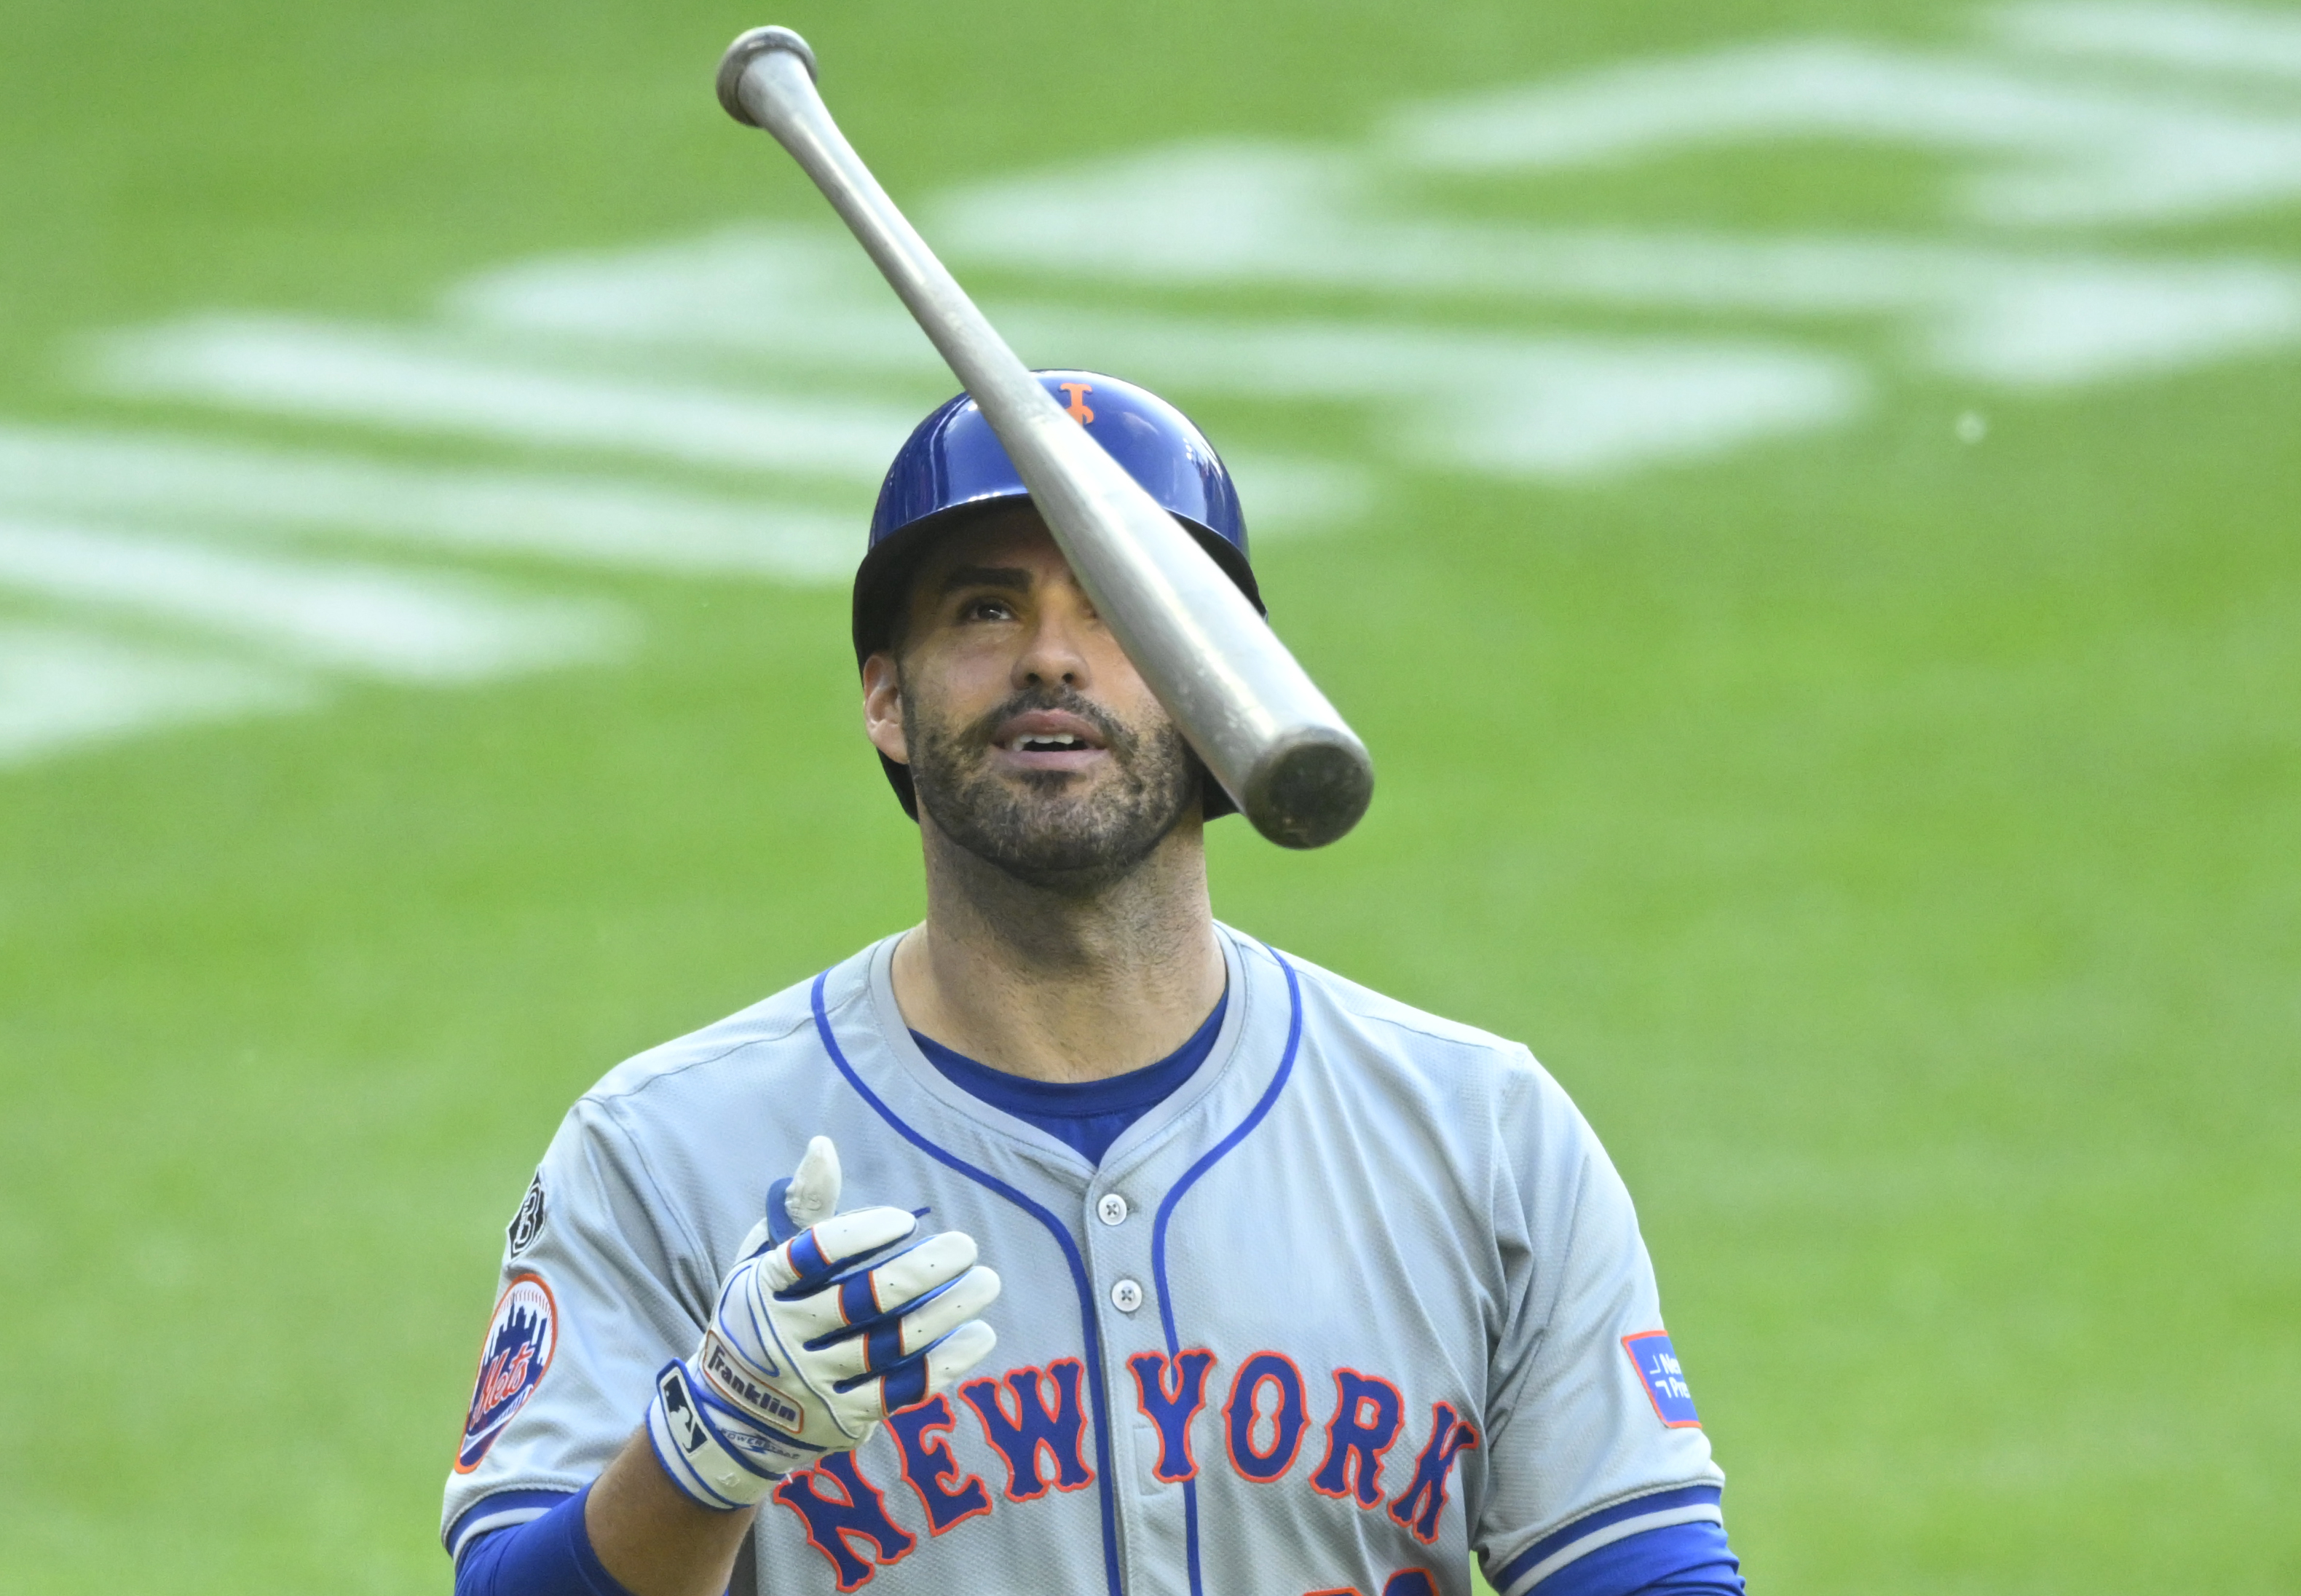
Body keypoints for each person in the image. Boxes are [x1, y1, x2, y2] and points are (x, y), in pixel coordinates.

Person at [441, 373, 1745, 1596]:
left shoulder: (1480, 1133)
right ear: (886, 701)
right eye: (986, 608)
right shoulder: (667, 1150)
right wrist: (709, 1450)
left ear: (1225, 687)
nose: (1051, 659)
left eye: (1119, 606)